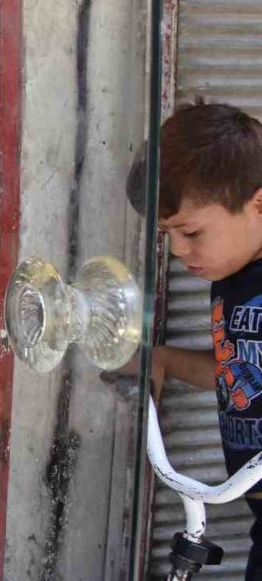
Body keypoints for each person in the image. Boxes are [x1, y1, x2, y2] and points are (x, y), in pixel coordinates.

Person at [124, 102, 262, 579]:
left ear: (258, 204)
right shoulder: (234, 279)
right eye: (167, 235)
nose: (179, 251)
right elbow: (236, 369)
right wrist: (159, 359)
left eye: (190, 232)